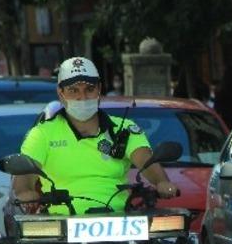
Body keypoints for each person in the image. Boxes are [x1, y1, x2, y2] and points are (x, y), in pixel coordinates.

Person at [11, 57, 177, 216]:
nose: (82, 97)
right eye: (73, 90)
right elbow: (25, 174)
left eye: (89, 89)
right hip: (61, 226)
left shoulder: (124, 128)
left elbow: (146, 162)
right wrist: (26, 192)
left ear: (99, 89)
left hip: (120, 221)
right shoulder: (42, 133)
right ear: (61, 93)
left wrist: (161, 182)